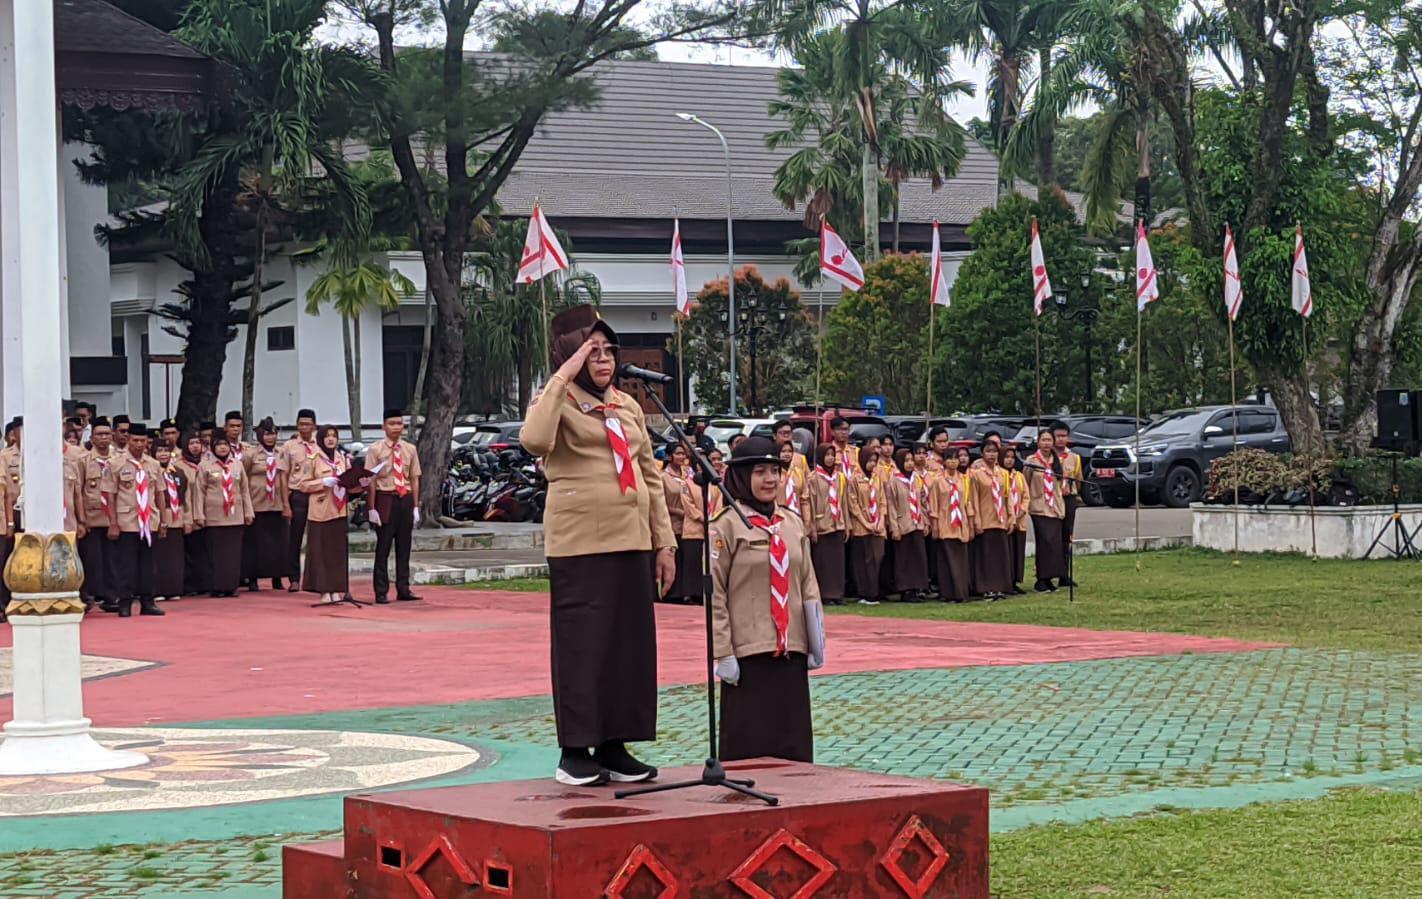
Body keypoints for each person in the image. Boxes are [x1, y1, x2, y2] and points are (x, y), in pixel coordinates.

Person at [520, 304, 675, 787]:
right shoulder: (557, 401)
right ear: (572, 355)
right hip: (580, 542)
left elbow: (649, 475)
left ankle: (614, 744)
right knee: (583, 647)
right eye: (592, 351)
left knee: (627, 646)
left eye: (609, 351)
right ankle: (575, 749)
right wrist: (563, 376)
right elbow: (533, 440)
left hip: (631, 537)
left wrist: (664, 542)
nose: (604, 360)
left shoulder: (626, 406)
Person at [710, 437, 825, 763]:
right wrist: (723, 653)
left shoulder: (791, 523)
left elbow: (808, 585)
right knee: (749, 748)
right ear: (741, 476)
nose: (770, 479)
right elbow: (715, 595)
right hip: (748, 655)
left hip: (790, 652)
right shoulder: (725, 527)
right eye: (760, 471)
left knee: (792, 747)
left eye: (775, 471)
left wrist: (815, 642)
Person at [105, 423, 165, 617]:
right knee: (127, 564)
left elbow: (160, 493)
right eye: (135, 440)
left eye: (142, 441)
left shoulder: (153, 464)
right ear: (128, 440)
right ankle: (125, 602)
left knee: (149, 564)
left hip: (149, 520)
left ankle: (148, 601)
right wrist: (113, 522)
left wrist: (163, 521)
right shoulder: (116, 463)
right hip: (127, 520)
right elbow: (110, 495)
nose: (139, 444)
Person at [363, 409, 423, 604]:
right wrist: (371, 507)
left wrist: (415, 505)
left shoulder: (410, 449)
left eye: (399, 423)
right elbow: (370, 479)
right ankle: (381, 591)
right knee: (383, 547)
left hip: (404, 497)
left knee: (404, 546)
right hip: (385, 498)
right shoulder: (375, 450)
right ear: (384, 427)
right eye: (392, 423)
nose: (396, 427)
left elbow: (414, 478)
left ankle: (403, 588)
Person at [295, 424, 360, 605]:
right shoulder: (314, 458)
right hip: (321, 511)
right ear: (321, 439)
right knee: (321, 552)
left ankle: (336, 588)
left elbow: (350, 482)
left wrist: (359, 481)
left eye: (334, 436)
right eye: (327, 436)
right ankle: (323, 590)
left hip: (339, 510)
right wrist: (323, 481)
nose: (331, 439)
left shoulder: (343, 459)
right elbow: (303, 484)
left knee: (337, 553)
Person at [194, 434, 254, 597]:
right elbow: (199, 492)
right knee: (216, 553)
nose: (222, 448)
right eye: (219, 445)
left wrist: (248, 512)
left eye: (225, 444)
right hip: (214, 514)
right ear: (213, 447)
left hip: (235, 514)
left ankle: (231, 585)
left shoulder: (237, 465)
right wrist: (199, 514)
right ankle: (217, 586)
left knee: (233, 553)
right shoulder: (205, 465)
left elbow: (244, 490)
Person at [243, 418, 288, 592]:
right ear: (260, 435)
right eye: (267, 434)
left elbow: (285, 475)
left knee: (278, 544)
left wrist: (286, 503)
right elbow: (243, 476)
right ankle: (253, 578)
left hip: (276, 503)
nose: (270, 438)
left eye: (273, 434)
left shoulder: (281, 453)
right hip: (257, 503)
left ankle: (277, 577)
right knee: (255, 544)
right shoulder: (251, 454)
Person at [967, 439, 1014, 600]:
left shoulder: (1003, 474)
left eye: (994, 451)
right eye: (988, 451)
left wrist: (1011, 517)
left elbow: (1007, 497)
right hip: (985, 519)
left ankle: (1000, 587)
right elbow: (973, 498)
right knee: (985, 556)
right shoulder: (976, 475)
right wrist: (976, 520)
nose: (992, 455)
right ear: (982, 454)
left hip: (1000, 520)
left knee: (999, 555)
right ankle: (986, 587)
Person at [660, 443, 705, 605]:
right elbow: (661, 502)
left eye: (683, 454)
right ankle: (669, 593)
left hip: (689, 524)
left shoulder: (688, 475)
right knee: (673, 557)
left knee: (686, 559)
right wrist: (679, 512)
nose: (681, 457)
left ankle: (684, 592)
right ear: (669, 456)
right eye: (678, 454)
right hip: (672, 521)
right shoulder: (663, 477)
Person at [79, 418, 117, 609]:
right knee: (91, 560)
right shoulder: (84, 460)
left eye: (106, 434)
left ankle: (111, 597)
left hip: (115, 517)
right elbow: (78, 490)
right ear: (92, 438)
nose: (103, 438)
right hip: (92, 517)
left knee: (113, 560)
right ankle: (89, 596)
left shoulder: (119, 460)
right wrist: (81, 519)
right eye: (99, 435)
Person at [927, 447, 973, 602]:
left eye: (955, 458)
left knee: (961, 559)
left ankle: (961, 591)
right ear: (944, 462)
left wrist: (971, 524)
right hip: (945, 522)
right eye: (950, 458)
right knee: (947, 558)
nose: (953, 462)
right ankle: (948, 592)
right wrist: (934, 525)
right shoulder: (938, 481)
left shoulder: (964, 480)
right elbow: (933, 505)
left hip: (961, 523)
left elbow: (968, 502)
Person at [805, 444, 847, 605]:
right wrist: (813, 527)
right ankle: (825, 594)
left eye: (832, 454)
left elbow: (842, 501)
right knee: (823, 562)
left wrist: (846, 523)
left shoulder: (839, 477)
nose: (830, 458)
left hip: (837, 523)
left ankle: (837, 593)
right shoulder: (814, 478)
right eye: (827, 455)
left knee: (837, 562)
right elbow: (812, 502)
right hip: (822, 524)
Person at [886, 448, 931, 600]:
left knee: (918, 557)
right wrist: (894, 527)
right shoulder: (894, 481)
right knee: (904, 558)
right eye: (906, 461)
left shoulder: (916, 479)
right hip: (902, 523)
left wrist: (925, 522)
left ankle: (918, 587)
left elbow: (922, 502)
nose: (910, 463)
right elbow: (891, 506)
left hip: (917, 522)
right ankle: (905, 589)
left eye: (912, 460)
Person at [282, 409, 319, 593]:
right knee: (295, 538)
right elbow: (283, 475)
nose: (304, 427)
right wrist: (285, 504)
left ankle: (315, 578)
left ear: (314, 426)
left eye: (308, 424)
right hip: (297, 494)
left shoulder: (321, 444)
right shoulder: (289, 446)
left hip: (318, 495)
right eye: (301, 423)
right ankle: (294, 578)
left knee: (317, 538)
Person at [1027, 429, 1068, 592]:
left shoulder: (1056, 460)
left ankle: (1051, 577)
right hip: (1039, 506)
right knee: (1044, 542)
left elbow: (1059, 484)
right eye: (1043, 440)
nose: (1046, 444)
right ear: (1038, 442)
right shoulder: (1031, 461)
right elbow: (1026, 481)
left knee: (1055, 544)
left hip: (1055, 507)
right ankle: (1041, 578)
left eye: (1049, 440)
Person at [845, 446, 885, 605]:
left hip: (877, 525)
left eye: (874, 461)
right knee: (863, 559)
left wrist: (881, 520)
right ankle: (864, 592)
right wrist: (865, 523)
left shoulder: (877, 478)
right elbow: (853, 504)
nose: (872, 464)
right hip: (862, 525)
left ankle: (874, 592)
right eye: (869, 461)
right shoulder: (855, 479)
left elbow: (882, 501)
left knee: (877, 557)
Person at [152, 442, 190, 604]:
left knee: (175, 557)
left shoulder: (179, 473)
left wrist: (188, 520)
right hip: (158, 517)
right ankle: (158, 589)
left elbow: (187, 498)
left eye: (166, 451)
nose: (163, 454)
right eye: (159, 451)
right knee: (159, 557)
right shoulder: (151, 471)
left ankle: (174, 588)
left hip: (177, 518)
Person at [176, 431, 209, 596]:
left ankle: (204, 583)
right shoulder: (178, 466)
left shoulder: (208, 463)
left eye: (198, 442)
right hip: (189, 513)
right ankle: (189, 584)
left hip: (207, 512)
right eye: (191, 443)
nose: (195, 446)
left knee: (204, 551)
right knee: (189, 551)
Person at [1053, 422, 1083, 588]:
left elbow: (1078, 480)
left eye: (1064, 436)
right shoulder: (1047, 457)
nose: (1061, 439)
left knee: (1067, 536)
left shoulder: (1074, 458)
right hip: (1051, 500)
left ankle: (1064, 574)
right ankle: (1049, 573)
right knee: (1052, 537)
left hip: (1068, 498)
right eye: (1058, 436)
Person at [1002, 445, 1029, 595]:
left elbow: (1026, 495)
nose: (1009, 460)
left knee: (1017, 551)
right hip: (1004, 520)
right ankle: (1006, 581)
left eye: (1012, 457)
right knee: (1007, 551)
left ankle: (1015, 581)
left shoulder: (1019, 476)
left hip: (1019, 519)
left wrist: (1022, 511)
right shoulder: (999, 475)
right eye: (1006, 457)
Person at [829, 416, 859, 481]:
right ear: (832, 432)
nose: (843, 432)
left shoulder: (856, 451)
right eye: (840, 429)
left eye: (846, 429)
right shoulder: (827, 452)